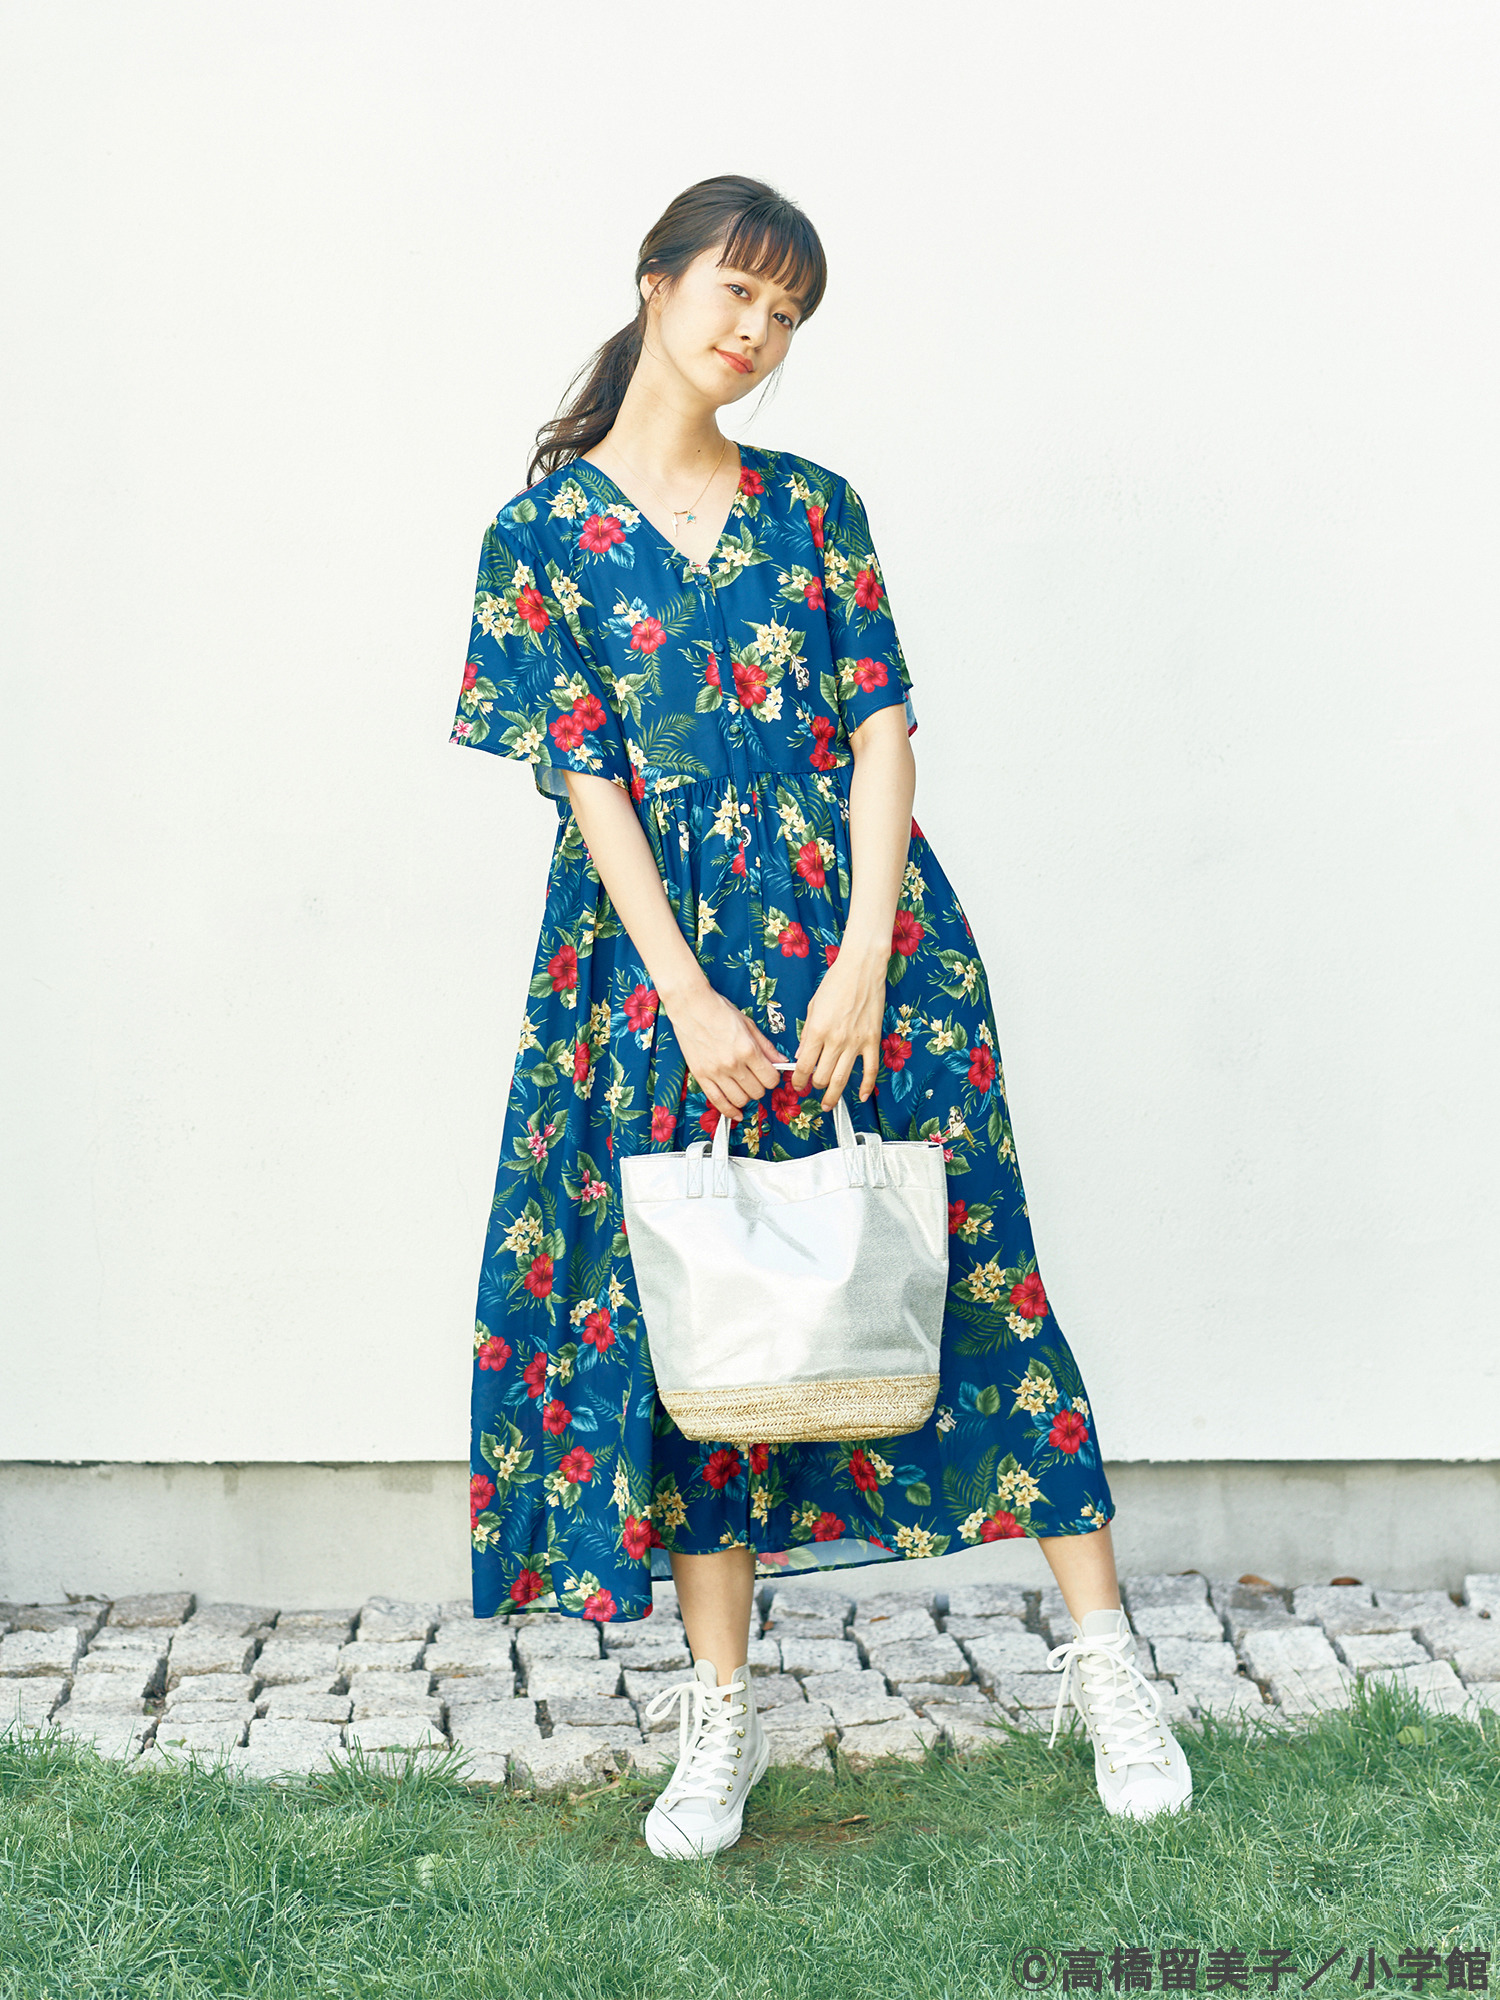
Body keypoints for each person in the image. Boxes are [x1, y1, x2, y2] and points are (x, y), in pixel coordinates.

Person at [450, 173, 1191, 1856]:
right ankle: (720, 1718)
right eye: (737, 289)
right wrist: (687, 994)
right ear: (655, 281)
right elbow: (586, 779)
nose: (757, 331)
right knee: (704, 1318)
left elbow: (876, 731)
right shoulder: (538, 537)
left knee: (976, 1282)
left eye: (786, 313)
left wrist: (862, 959)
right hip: (653, 971)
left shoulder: (813, 506)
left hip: (870, 940)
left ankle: (1106, 1662)